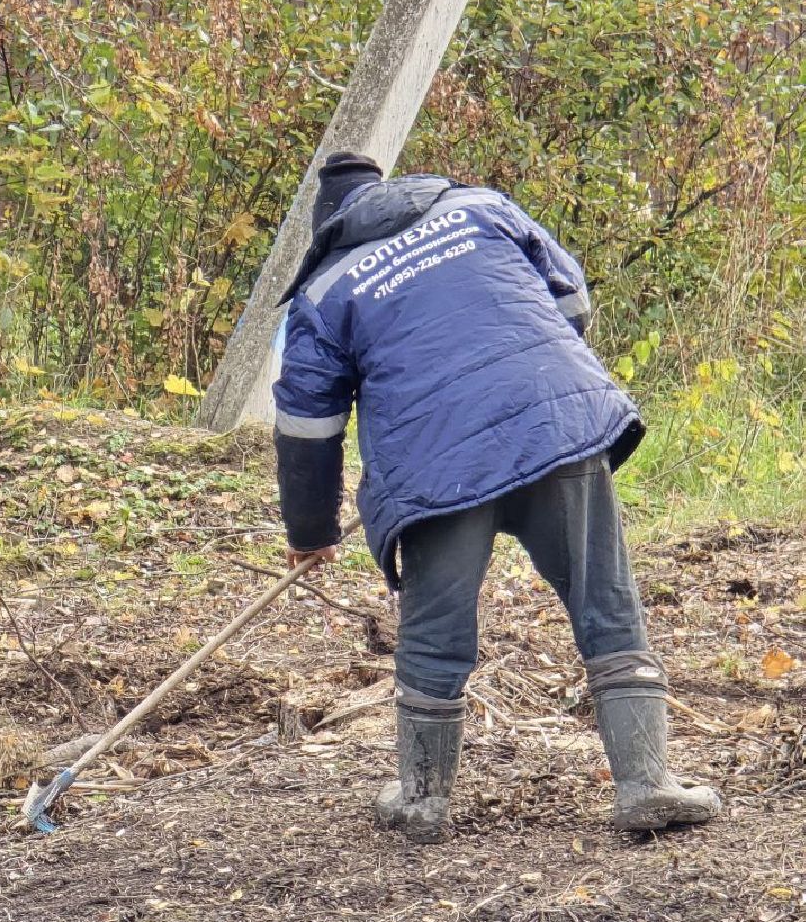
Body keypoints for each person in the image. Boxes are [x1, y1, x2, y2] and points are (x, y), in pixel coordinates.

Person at [272, 152, 721, 841]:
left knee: (435, 627)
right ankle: (646, 783)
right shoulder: (479, 208)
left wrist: (310, 531)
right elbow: (570, 302)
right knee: (605, 600)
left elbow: (309, 427)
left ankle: (422, 799)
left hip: (437, 467)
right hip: (556, 425)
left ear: (328, 228)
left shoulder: (328, 288)